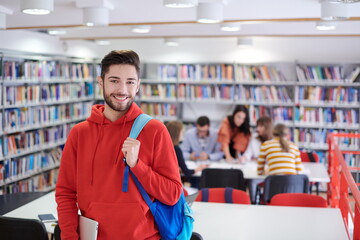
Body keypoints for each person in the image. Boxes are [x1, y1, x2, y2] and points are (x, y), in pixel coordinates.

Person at [55, 50, 182, 240]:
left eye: (130, 82)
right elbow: (66, 193)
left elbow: (172, 194)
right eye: (114, 80)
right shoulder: (79, 133)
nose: (122, 90)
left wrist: (137, 165)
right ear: (101, 82)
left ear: (138, 85)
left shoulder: (155, 130)